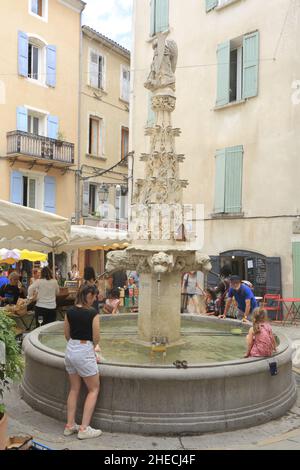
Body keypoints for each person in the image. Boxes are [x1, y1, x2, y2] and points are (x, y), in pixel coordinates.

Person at [64, 284, 102, 440]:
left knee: (74, 389)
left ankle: (69, 425)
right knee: (93, 389)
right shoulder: (93, 313)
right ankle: (84, 428)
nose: (94, 300)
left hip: (70, 349)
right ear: (89, 295)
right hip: (84, 350)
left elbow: (66, 335)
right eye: (94, 297)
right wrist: (91, 349)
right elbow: (96, 338)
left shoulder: (69, 311)